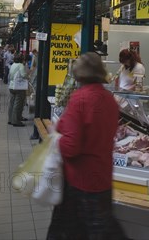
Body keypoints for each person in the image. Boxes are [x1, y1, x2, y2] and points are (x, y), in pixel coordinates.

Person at [46, 52, 127, 240]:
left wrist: (55, 136)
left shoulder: (80, 99)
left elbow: (71, 147)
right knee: (102, 229)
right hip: (103, 177)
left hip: (80, 181)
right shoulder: (109, 99)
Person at [8, 53, 29, 127]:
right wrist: (28, 75)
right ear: (22, 59)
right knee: (18, 104)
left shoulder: (13, 65)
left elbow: (10, 75)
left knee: (12, 103)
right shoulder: (20, 65)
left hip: (11, 86)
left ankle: (10, 119)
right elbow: (23, 75)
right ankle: (16, 121)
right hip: (18, 87)